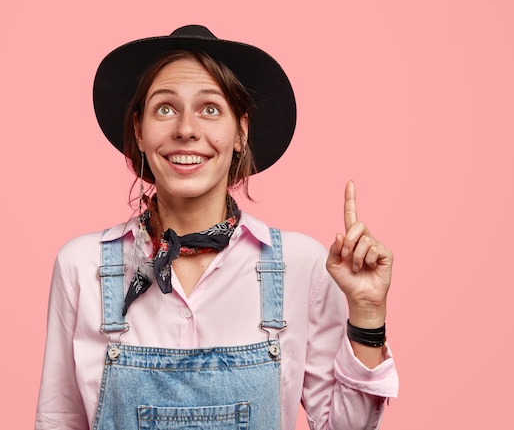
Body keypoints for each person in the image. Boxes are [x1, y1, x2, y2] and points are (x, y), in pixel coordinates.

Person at [35, 25, 399, 430]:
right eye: (165, 109)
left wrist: (368, 316)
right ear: (139, 131)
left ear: (240, 132)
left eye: (210, 109)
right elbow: (57, 421)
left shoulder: (302, 265)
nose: (186, 129)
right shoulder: (82, 266)